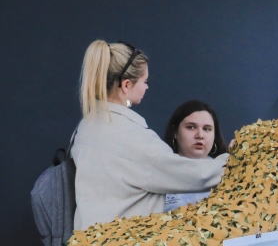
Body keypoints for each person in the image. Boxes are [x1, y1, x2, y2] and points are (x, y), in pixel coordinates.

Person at [73, 41, 230, 231]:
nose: (147, 87)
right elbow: (195, 176)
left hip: (87, 241)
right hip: (122, 242)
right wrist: (235, 160)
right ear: (126, 85)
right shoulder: (131, 136)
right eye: (145, 81)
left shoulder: (85, 126)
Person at [162, 100, 229, 212]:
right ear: (175, 132)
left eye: (207, 129)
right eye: (191, 127)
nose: (200, 135)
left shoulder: (228, 171)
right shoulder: (160, 171)